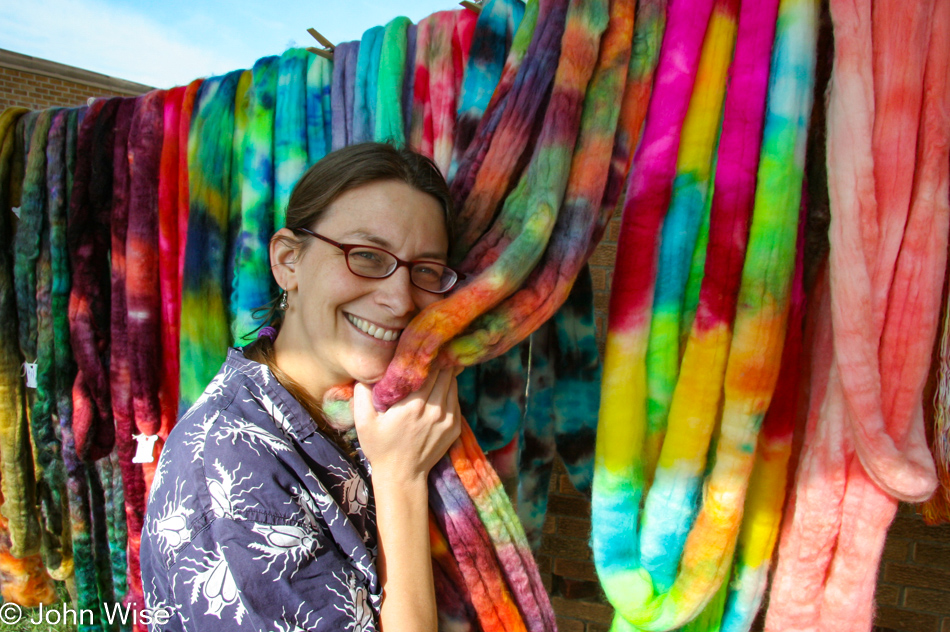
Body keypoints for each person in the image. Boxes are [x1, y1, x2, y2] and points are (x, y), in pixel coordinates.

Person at [141, 143, 464, 632]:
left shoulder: (364, 410)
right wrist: (401, 479)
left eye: (424, 270)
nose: (400, 300)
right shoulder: (233, 474)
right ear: (288, 261)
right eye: (368, 256)